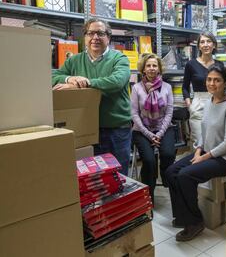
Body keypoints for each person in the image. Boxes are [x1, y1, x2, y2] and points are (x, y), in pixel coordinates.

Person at [166, 64, 226, 242]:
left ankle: (195, 222)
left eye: (217, 80)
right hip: (206, 151)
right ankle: (183, 216)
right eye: (209, 79)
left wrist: (203, 157)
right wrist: (198, 151)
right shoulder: (208, 102)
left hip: (225, 159)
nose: (212, 83)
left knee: (185, 175)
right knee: (170, 172)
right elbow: (203, 135)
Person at [52, 18, 132, 175]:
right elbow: (52, 76)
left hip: (115, 130)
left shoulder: (119, 59)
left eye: (100, 33)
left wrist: (84, 83)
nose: (95, 37)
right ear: (85, 37)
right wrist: (70, 79)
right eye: (91, 33)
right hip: (85, 130)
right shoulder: (74, 60)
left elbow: (117, 82)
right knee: (91, 178)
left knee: (118, 176)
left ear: (108, 38)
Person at [131, 53, 176, 202]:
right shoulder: (137, 88)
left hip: (163, 128)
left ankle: (167, 181)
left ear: (159, 69)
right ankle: (148, 196)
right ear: (143, 69)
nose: (151, 68)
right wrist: (150, 135)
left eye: (154, 65)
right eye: (148, 65)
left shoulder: (167, 87)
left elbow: (169, 112)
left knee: (168, 154)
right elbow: (134, 114)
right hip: (142, 130)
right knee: (149, 161)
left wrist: (160, 133)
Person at [182, 31, 224, 148]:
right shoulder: (191, 64)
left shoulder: (219, 65)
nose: (206, 44)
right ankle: (197, 164)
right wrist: (189, 104)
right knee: (198, 142)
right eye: (202, 42)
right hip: (198, 103)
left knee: (215, 141)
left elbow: (223, 86)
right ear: (199, 46)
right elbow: (185, 87)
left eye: (209, 41)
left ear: (214, 45)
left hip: (216, 103)